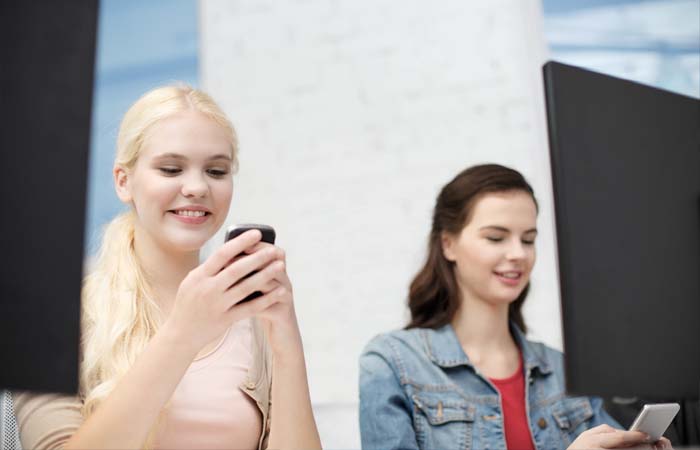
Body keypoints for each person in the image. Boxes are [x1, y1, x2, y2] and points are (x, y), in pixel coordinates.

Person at [13, 85, 321, 450]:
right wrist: (184, 332)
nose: (197, 187)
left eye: (216, 171)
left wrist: (287, 344)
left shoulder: (254, 319)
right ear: (123, 181)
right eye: (171, 168)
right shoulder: (56, 317)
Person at [358, 164, 672, 450]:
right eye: (496, 238)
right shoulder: (393, 363)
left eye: (528, 239)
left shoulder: (562, 370)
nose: (518, 254)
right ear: (448, 244)